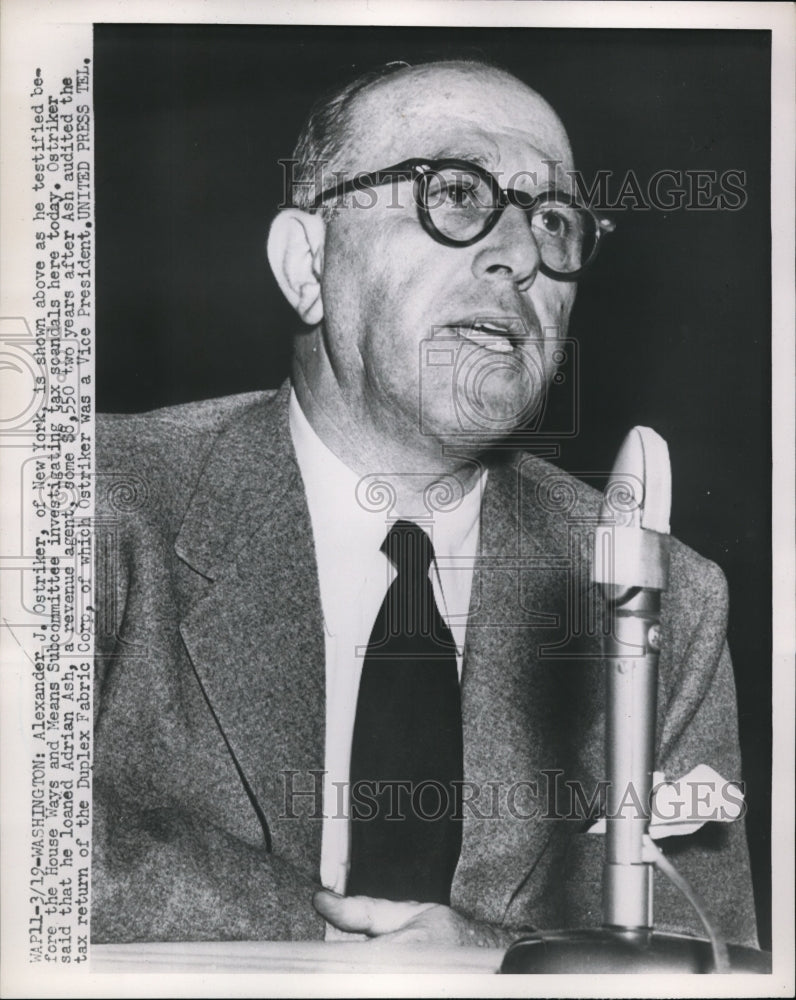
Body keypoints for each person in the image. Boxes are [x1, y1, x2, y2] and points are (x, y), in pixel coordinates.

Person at [92, 59, 757, 948]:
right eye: (454, 193)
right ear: (307, 263)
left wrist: (487, 961)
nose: (522, 256)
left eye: (554, 220)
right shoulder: (84, 504)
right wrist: (349, 953)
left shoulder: (661, 589)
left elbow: (704, 959)